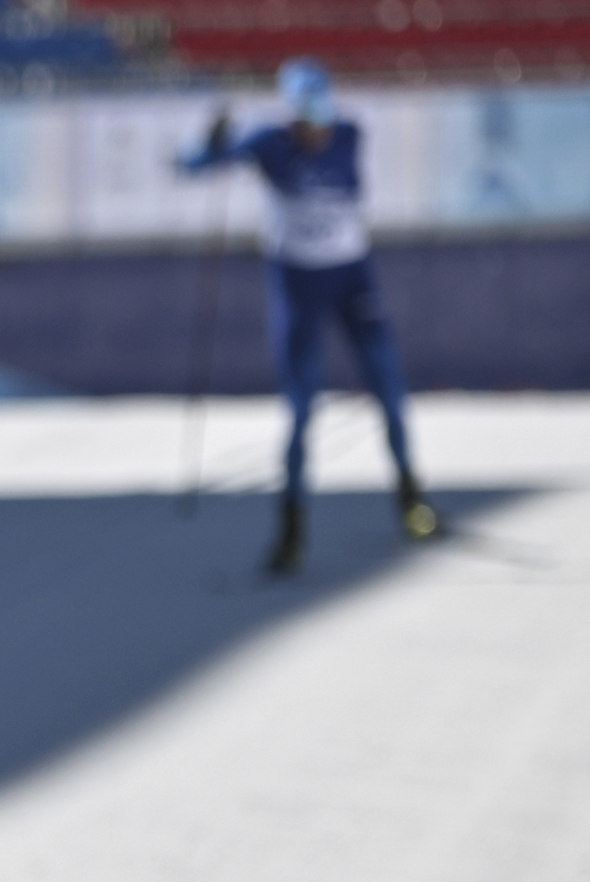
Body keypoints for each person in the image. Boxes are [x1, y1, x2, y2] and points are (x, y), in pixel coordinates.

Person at [180, 58, 441, 574]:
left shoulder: (349, 134)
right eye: (306, 121)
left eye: (322, 117)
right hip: (299, 289)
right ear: (291, 117)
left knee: (389, 394)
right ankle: (291, 528)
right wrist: (211, 145)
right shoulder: (268, 143)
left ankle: (412, 501)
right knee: (301, 411)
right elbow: (193, 167)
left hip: (351, 281)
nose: (317, 131)